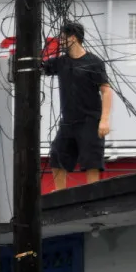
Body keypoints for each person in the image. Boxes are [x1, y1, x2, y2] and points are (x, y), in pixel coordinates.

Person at [43, 20, 113, 189]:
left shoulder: (94, 62)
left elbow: (106, 91)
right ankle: (59, 194)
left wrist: (104, 120)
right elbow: (41, 65)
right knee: (57, 156)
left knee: (91, 162)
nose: (61, 41)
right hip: (68, 121)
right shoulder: (61, 62)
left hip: (90, 120)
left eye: (63, 37)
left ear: (73, 38)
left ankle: (93, 196)